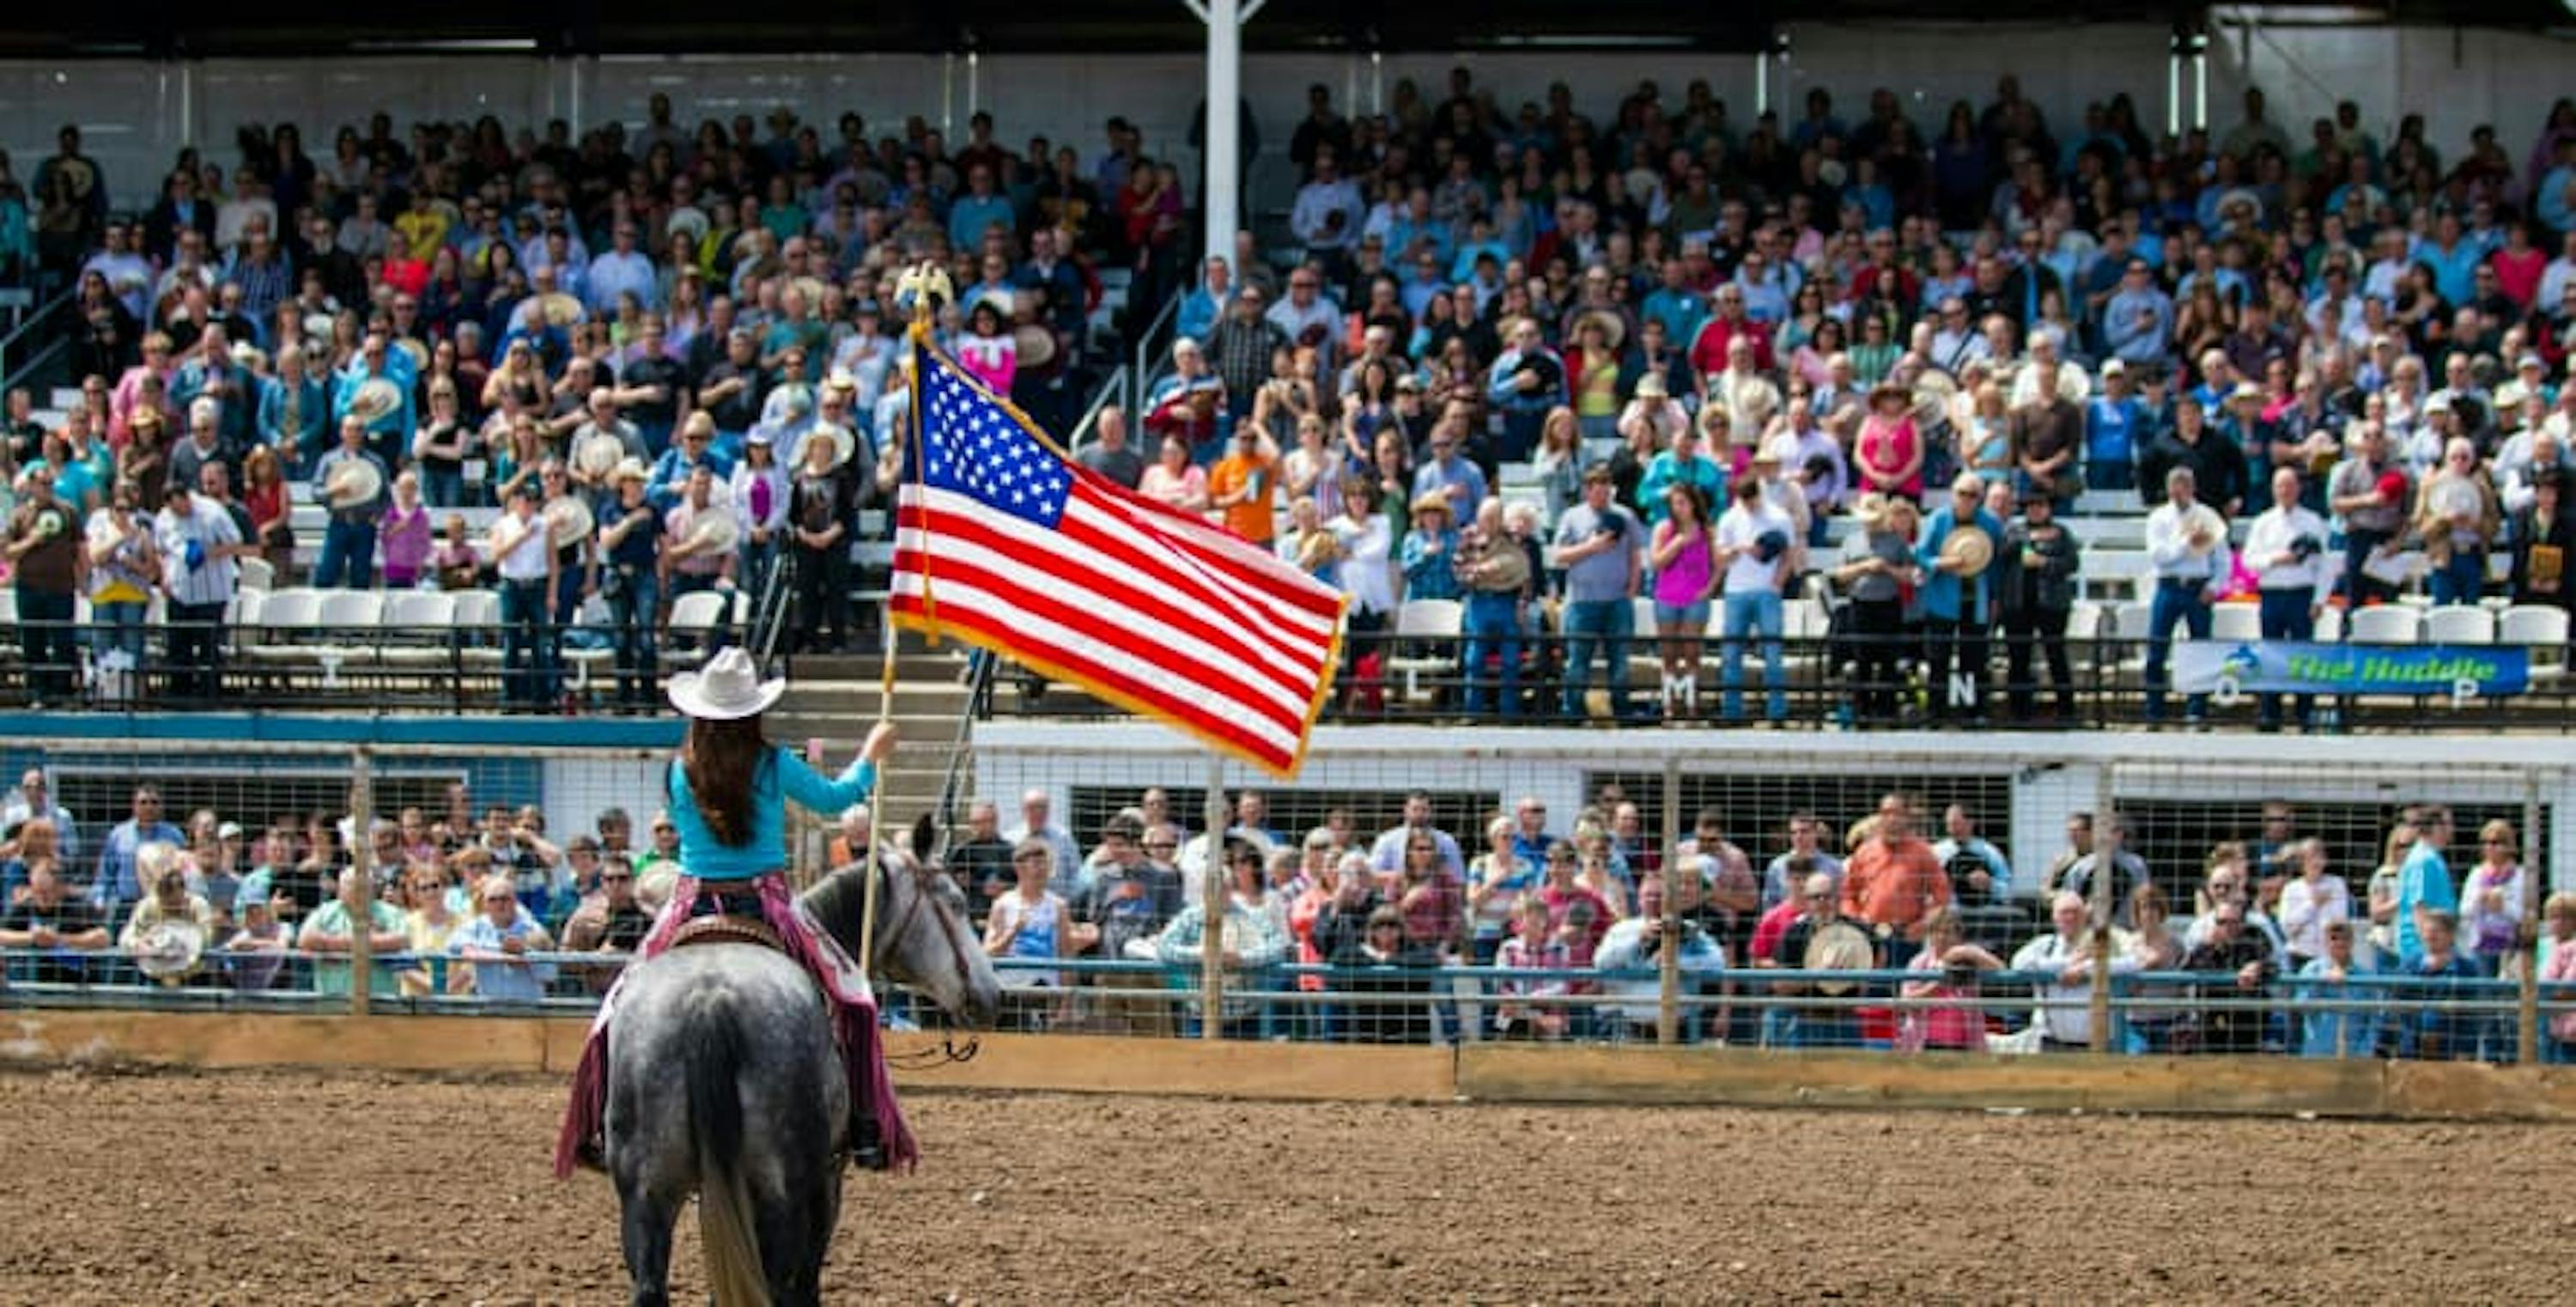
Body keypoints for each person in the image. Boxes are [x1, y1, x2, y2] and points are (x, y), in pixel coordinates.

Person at [556, 647, 907, 1175]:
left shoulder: (678, 773)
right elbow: (836, 801)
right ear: (753, 712)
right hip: (767, 903)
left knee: (615, 1010)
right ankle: (863, 1123)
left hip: (690, 902)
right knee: (854, 998)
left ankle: (601, 1123)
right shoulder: (774, 762)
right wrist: (871, 757)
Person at [1548, 465, 1643, 720]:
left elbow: (1635, 554)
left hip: (1617, 602)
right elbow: (1558, 556)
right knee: (1578, 661)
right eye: (1597, 490)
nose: (1603, 495)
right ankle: (1574, 711)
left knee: (1620, 661)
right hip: (1582, 602)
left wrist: (1632, 590)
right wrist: (1591, 547)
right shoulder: (1572, 517)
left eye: (1607, 489)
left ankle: (1621, 710)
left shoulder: (1625, 516)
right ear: (1587, 491)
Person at [2243, 465, 2332, 731]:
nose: (2286, 491)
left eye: (2290, 486)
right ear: (2273, 490)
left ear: (2299, 489)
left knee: (2303, 656)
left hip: (2301, 595)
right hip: (2272, 595)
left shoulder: (2313, 522)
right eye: (2281, 486)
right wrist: (2277, 559)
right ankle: (2271, 714)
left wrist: (2319, 600)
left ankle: (2305, 713)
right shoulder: (2263, 523)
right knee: (2271, 654)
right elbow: (2249, 561)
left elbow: (2326, 566)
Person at [1592, 872, 1727, 1043]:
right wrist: (1637, 940)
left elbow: (1717, 963)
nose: (1653, 900)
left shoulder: (1688, 929)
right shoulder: (1622, 930)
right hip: (1633, 1026)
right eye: (1648, 895)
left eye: (1659, 895)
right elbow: (1601, 963)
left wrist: (1677, 963)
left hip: (1682, 1027)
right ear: (1639, 898)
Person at [2142, 465, 2228, 726]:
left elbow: (2222, 559)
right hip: (2168, 586)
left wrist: (2213, 586)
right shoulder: (2158, 518)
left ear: (2192, 488)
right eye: (2175, 486)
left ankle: (2197, 710)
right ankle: (2154, 711)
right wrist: (2186, 543)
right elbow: (2160, 557)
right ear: (2169, 489)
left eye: (2185, 486)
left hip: (2197, 588)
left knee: (2200, 648)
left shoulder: (2207, 516)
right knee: (2157, 648)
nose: (2179, 492)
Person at [1712, 474, 1795, 722]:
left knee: (1772, 653)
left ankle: (1777, 711)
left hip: (1766, 592)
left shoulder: (1779, 517)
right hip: (1736, 591)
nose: (1749, 505)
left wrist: (1777, 583)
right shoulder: (1729, 518)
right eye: (1745, 500)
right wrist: (1736, 551)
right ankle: (1732, 710)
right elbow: (1719, 557)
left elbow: (1789, 554)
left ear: (1760, 493)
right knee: (1731, 653)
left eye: (1753, 499)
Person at [1994, 487, 2081, 723]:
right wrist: (2028, 539)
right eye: (2031, 506)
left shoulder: (2062, 533)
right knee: (2018, 657)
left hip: (2052, 604)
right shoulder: (2014, 530)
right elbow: (2002, 553)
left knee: (2056, 656)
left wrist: (2045, 562)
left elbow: (2072, 564)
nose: (2035, 510)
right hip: (2018, 603)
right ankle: (2019, 710)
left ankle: (2066, 710)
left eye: (2040, 506)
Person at [2011, 891, 2135, 1051]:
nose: (2070, 917)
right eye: (2064, 912)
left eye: (2075, 912)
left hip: (2098, 1044)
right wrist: (2067, 964)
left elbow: (2132, 963)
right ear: (2054, 917)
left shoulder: (2108, 941)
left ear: (2085, 915)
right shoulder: (2045, 945)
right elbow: (2019, 964)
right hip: (2051, 1042)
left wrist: (2086, 969)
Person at [1839, 794, 1951, 966]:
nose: (1892, 819)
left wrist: (1924, 925)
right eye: (1886, 813)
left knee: (1903, 989)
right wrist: (1857, 923)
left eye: (1897, 814)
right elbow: (1847, 894)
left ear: (1907, 818)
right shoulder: (1864, 852)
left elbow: (1941, 897)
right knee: (1873, 989)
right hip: (1870, 936)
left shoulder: (1922, 852)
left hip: (1907, 938)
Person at [983, 838, 1072, 1030]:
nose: (1042, 870)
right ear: (1019, 868)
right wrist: (1013, 931)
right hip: (1011, 988)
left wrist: (1065, 1002)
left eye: (1045, 864)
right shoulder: (1003, 905)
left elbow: (1066, 955)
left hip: (1044, 989)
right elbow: (989, 952)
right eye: (1036, 864)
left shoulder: (1058, 906)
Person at [1898, 906, 2005, 1053]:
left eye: (1948, 932)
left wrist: (1969, 953)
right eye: (1936, 931)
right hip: (1924, 1043)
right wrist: (1938, 985)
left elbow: (2000, 969)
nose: (1942, 937)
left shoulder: (1968, 956)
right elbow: (1906, 1003)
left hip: (1966, 1043)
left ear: (1958, 935)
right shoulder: (1920, 962)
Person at [297, 866, 410, 999]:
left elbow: (400, 941)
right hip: (332, 1001)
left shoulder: (390, 913)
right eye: (350, 884)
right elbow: (305, 939)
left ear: (372, 888)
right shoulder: (325, 912)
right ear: (340, 889)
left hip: (382, 1002)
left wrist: (330, 946)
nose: (357, 890)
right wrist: (368, 943)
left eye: (362, 885)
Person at [2180, 900, 2275, 1055]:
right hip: (2212, 1026)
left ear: (2242, 923)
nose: (2227, 927)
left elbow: (2273, 966)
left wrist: (2258, 967)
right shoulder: (2206, 947)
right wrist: (2210, 947)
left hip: (2246, 1027)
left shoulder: (2254, 939)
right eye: (2221, 922)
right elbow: (2186, 970)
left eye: (2233, 922)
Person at [448, 872, 557, 1002]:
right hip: (489, 1011)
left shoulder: (534, 930)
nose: (499, 904)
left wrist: (525, 958)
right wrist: (502, 956)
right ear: (485, 904)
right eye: (492, 900)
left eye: (504, 898)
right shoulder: (475, 927)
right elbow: (456, 947)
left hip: (527, 1011)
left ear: (515, 901)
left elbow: (550, 975)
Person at [0, 860, 112, 983]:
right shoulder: (27, 906)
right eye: (36, 891)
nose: (41, 898)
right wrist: (32, 938)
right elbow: (2, 934)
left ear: (60, 888)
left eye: (46, 892)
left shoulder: (79, 907)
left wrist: (58, 940)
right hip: (31, 984)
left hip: (73, 983)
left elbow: (103, 937)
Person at [2293, 921, 2380, 1060]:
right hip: (2317, 1052)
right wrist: (2322, 981)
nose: (2340, 943)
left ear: (2352, 942)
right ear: (2325, 942)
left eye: (2345, 938)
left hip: (2354, 1054)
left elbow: (2373, 1019)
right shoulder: (2311, 970)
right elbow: (2302, 1007)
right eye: (2334, 938)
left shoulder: (2365, 976)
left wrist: (2366, 1050)